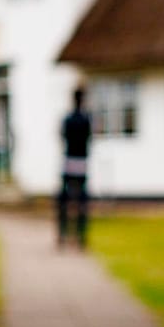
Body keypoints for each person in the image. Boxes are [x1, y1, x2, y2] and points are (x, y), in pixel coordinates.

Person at [59, 87, 93, 249]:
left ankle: (63, 234)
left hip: (68, 162)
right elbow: (89, 139)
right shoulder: (86, 119)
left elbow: (62, 137)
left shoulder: (67, 119)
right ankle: (81, 237)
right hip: (82, 163)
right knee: (82, 202)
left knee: (64, 201)